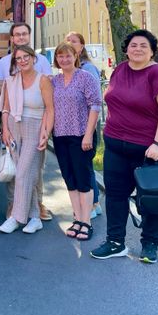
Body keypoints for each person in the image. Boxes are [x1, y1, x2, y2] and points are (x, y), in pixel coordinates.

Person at [90, 30, 158, 263]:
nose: (137, 49)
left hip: (152, 149)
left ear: (152, 51)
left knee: (151, 198)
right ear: (126, 49)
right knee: (116, 196)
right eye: (133, 45)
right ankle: (115, 242)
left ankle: (150, 244)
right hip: (117, 147)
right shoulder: (119, 70)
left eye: (143, 46)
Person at [0, 21, 53, 222]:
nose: (20, 37)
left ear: (29, 36)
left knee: (34, 166)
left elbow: (48, 93)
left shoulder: (42, 61)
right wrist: (16, 90)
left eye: (23, 34)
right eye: (16, 35)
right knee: (15, 165)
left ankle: (37, 204)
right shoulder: (4, 62)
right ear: (12, 38)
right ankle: (14, 203)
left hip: (36, 119)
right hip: (15, 118)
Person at [51, 42, 101, 241]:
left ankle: (86, 222)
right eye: (60, 56)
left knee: (83, 179)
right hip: (61, 135)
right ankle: (77, 219)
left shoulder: (85, 78)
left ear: (75, 56)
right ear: (56, 59)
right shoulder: (54, 81)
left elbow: (95, 105)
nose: (64, 59)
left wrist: (88, 135)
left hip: (81, 135)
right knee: (69, 179)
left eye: (68, 56)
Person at [66, 31, 102, 220]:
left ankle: (93, 204)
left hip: (85, 127)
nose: (71, 43)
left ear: (81, 46)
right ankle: (92, 203)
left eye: (74, 41)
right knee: (81, 167)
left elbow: (95, 101)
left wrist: (89, 130)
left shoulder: (88, 69)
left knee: (85, 167)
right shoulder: (71, 69)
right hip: (72, 127)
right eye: (68, 41)